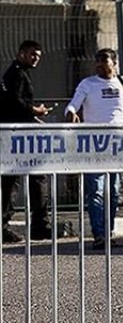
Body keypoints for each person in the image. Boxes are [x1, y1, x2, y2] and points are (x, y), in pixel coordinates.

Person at [64, 48, 123, 249]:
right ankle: (99, 234)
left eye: (104, 61)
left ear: (114, 64)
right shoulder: (88, 84)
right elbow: (73, 104)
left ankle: (108, 232)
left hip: (118, 146)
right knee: (96, 190)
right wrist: (71, 113)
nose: (100, 65)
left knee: (113, 191)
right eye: (98, 61)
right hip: (94, 144)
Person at [1, 40, 54, 243]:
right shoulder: (14, 73)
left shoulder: (20, 73)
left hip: (24, 133)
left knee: (35, 177)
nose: (35, 59)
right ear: (21, 53)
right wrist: (34, 110)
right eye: (32, 54)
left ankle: (40, 225)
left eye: (38, 56)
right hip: (15, 136)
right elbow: (12, 101)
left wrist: (34, 116)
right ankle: (9, 226)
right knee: (12, 180)